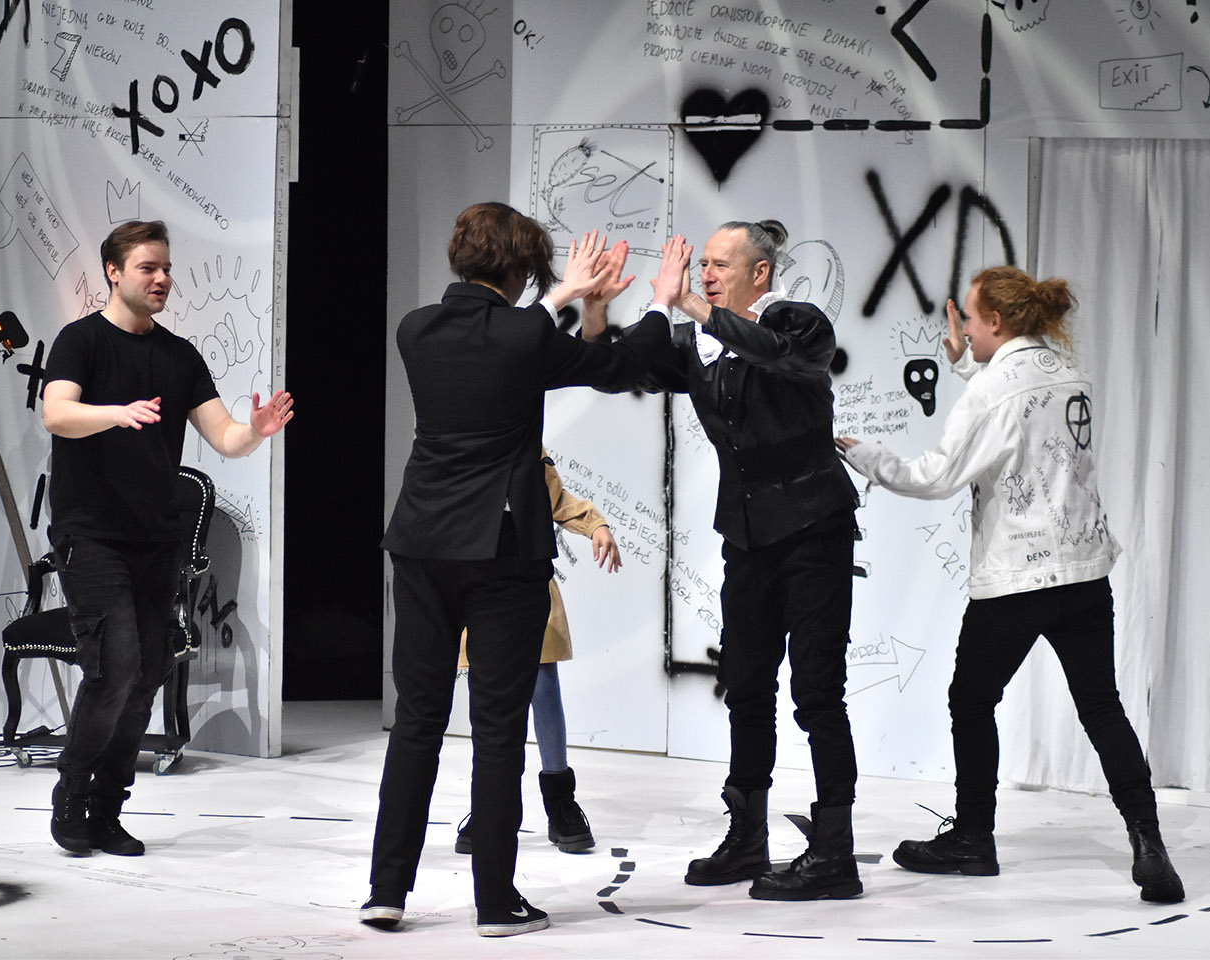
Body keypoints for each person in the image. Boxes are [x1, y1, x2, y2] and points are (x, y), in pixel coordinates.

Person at [361, 203, 683, 937]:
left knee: (417, 722)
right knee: (499, 728)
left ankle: (386, 891)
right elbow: (620, 367)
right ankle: (495, 903)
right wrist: (655, 302)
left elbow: (575, 359)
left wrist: (579, 306)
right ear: (523, 270)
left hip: (421, 542)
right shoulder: (527, 332)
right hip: (502, 550)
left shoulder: (416, 328)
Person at [836, 265, 1184, 904]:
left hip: (1018, 580)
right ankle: (1149, 840)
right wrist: (966, 367)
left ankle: (974, 838)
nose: (963, 330)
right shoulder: (1068, 374)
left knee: (970, 701)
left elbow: (936, 475)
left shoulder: (991, 392)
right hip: (1083, 573)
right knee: (1101, 706)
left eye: (969, 320)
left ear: (995, 321)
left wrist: (864, 455)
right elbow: (1020, 420)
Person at [586, 220, 863, 901]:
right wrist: (594, 313)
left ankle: (835, 853)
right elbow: (616, 370)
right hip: (746, 537)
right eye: (701, 264)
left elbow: (774, 355)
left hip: (814, 529)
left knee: (817, 691)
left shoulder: (798, 323)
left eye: (719, 264)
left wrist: (688, 304)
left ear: (758, 272)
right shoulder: (696, 343)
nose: (705, 274)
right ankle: (747, 837)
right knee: (746, 685)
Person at [41, 220, 292, 856]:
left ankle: (107, 807)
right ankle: (72, 790)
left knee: (148, 671)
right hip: (91, 533)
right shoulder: (81, 341)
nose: (162, 279)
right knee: (116, 664)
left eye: (166, 269)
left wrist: (256, 430)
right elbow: (57, 413)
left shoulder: (179, 356)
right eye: (148, 268)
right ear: (114, 272)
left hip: (155, 538)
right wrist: (115, 413)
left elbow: (225, 436)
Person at [454, 448, 621, 856]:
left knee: (544, 686)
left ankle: (560, 803)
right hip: (476, 581)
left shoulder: (527, 443)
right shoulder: (460, 440)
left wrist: (595, 524)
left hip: (527, 578)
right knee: (488, 700)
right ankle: (491, 804)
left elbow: (556, 499)